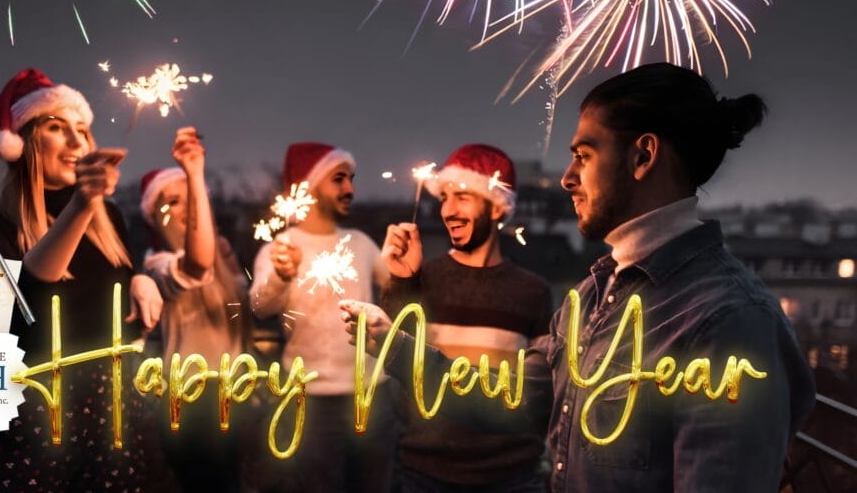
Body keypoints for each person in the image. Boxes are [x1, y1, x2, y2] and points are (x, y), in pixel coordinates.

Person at [342, 63, 816, 492]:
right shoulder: (592, 295)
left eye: (584, 156)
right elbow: (513, 399)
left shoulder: (729, 321)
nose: (567, 177)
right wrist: (393, 343)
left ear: (643, 155)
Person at [0, 68, 164, 492]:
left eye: (83, 130)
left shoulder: (112, 222)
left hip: (113, 417)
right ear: (24, 142)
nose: (76, 142)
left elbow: (105, 314)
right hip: (30, 427)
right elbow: (25, 313)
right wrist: (84, 205)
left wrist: (138, 279)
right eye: (56, 127)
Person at [381, 144, 552, 492]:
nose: (447, 210)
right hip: (425, 476)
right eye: (444, 197)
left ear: (497, 205)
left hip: (512, 478)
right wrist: (402, 281)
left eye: (461, 196)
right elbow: (392, 362)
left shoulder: (532, 292)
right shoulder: (422, 279)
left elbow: (538, 398)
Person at [250, 142, 398, 492]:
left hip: (372, 398)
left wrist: (402, 262)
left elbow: (398, 291)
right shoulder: (279, 249)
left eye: (351, 179)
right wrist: (281, 276)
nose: (350, 189)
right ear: (310, 186)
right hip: (310, 402)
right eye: (339, 179)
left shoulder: (360, 242)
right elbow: (259, 306)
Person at [139, 126, 249, 492]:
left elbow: (253, 310)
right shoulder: (156, 264)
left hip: (233, 397)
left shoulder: (224, 255)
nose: (184, 209)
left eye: (191, 197)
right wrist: (195, 173)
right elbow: (195, 267)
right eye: (171, 202)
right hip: (189, 402)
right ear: (152, 218)